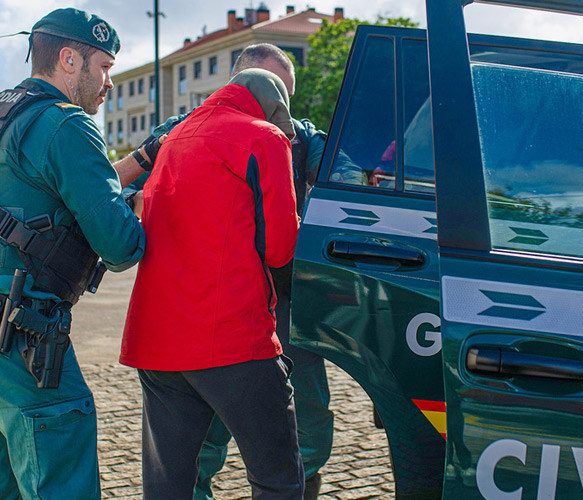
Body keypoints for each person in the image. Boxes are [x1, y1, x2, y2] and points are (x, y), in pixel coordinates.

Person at [120, 68, 304, 499]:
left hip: (159, 342)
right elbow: (280, 249)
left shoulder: (174, 138)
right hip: (231, 338)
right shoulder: (265, 138)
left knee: (168, 485)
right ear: (274, 108)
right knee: (277, 478)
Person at [0, 8, 155, 499]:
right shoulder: (69, 125)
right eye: (104, 67)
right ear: (69, 60)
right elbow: (121, 245)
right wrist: (145, 205)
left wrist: (139, 160)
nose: (108, 82)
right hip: (27, 339)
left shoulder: (9, 112)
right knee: (60, 470)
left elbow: (47, 186)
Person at [190, 44, 333, 500]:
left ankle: (302, 486)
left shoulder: (303, 139)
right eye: (264, 90)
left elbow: (349, 177)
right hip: (221, 300)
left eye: (283, 97)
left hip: (288, 299)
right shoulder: (188, 130)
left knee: (307, 411)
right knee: (207, 418)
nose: (274, 109)